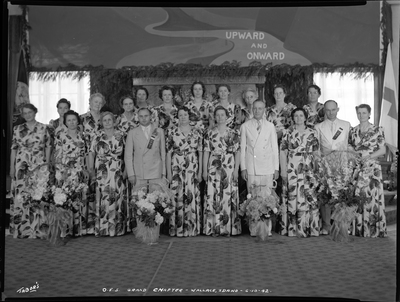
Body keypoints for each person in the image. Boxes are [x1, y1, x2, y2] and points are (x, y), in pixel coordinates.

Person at [9, 104, 51, 239]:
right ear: (22, 115)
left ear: (35, 112)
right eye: (24, 113)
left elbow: (48, 148)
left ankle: (39, 229)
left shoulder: (44, 128)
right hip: (22, 166)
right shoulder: (17, 129)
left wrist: (48, 164)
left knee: (38, 195)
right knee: (22, 194)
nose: (27, 115)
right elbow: (13, 150)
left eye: (30, 112)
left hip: (39, 165)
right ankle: (23, 229)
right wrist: (11, 167)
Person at [240, 100, 279, 236]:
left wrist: (276, 168)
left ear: (264, 110)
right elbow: (243, 149)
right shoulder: (245, 126)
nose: (257, 111)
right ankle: (254, 228)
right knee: (253, 197)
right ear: (252, 109)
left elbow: (275, 148)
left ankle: (266, 229)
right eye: (255, 108)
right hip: (252, 167)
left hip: (267, 166)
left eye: (260, 108)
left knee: (267, 197)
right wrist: (243, 168)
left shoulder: (270, 126)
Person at [279, 108, 320, 237]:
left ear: (305, 117)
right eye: (296, 116)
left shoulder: (312, 132)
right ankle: (292, 229)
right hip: (292, 167)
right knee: (292, 195)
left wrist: (317, 170)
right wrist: (283, 171)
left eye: (301, 115)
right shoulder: (287, 132)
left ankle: (310, 228)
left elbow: (316, 153)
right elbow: (282, 152)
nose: (298, 118)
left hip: (308, 167)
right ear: (292, 118)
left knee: (308, 196)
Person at [348, 104, 387, 238]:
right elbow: (350, 146)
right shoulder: (353, 131)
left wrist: (368, 156)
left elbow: (382, 150)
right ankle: (359, 229)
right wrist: (354, 153)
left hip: (372, 167)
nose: (361, 115)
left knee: (372, 196)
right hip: (357, 167)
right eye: (359, 113)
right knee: (358, 196)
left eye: (364, 113)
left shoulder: (377, 130)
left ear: (369, 114)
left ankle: (373, 229)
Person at [203, 106, 241, 236]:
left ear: (227, 116)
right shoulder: (209, 133)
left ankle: (229, 227)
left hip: (229, 165)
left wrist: (236, 170)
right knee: (214, 194)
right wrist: (204, 170)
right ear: (214, 117)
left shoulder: (234, 133)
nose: (220, 117)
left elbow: (237, 152)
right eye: (217, 115)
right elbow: (206, 153)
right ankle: (214, 227)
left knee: (227, 194)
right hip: (214, 165)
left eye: (222, 115)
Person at [314, 100, 351, 235]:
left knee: (341, 195)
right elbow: (316, 149)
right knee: (325, 195)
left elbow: (349, 146)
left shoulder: (346, 125)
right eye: (328, 110)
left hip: (342, 165)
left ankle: (340, 224)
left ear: (337, 109)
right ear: (324, 110)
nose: (330, 112)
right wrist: (321, 161)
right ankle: (326, 225)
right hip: (325, 165)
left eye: (333, 109)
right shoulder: (318, 127)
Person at [166, 107, 203, 237]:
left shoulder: (196, 131)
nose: (183, 117)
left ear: (189, 116)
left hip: (192, 165)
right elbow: (168, 154)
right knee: (177, 195)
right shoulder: (171, 132)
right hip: (176, 165)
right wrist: (169, 173)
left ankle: (192, 227)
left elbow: (200, 152)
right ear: (177, 117)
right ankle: (178, 228)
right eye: (180, 115)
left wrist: (200, 172)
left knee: (191, 194)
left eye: (185, 115)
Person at [88, 112, 126, 237]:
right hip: (101, 171)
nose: (108, 122)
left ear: (114, 121)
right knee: (103, 198)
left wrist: (126, 171)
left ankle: (117, 228)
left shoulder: (121, 134)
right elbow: (91, 154)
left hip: (117, 170)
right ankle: (103, 228)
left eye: (110, 120)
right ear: (101, 122)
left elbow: (127, 153)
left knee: (116, 197)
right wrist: (91, 172)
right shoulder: (97, 136)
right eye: (105, 120)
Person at [53, 110, 88, 237]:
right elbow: (57, 156)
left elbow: (86, 154)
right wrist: (60, 173)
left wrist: (86, 169)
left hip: (80, 171)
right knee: (66, 199)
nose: (72, 122)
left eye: (74, 120)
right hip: (65, 172)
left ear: (78, 121)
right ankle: (65, 229)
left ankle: (78, 229)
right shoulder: (60, 136)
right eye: (69, 120)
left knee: (79, 198)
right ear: (65, 122)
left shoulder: (83, 135)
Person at [80, 92, 106, 234]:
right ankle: (87, 223)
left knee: (100, 187)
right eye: (95, 102)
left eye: (100, 102)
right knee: (88, 187)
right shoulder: (82, 119)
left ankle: (100, 221)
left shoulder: (105, 118)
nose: (97, 104)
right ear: (90, 102)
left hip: (102, 156)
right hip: (86, 156)